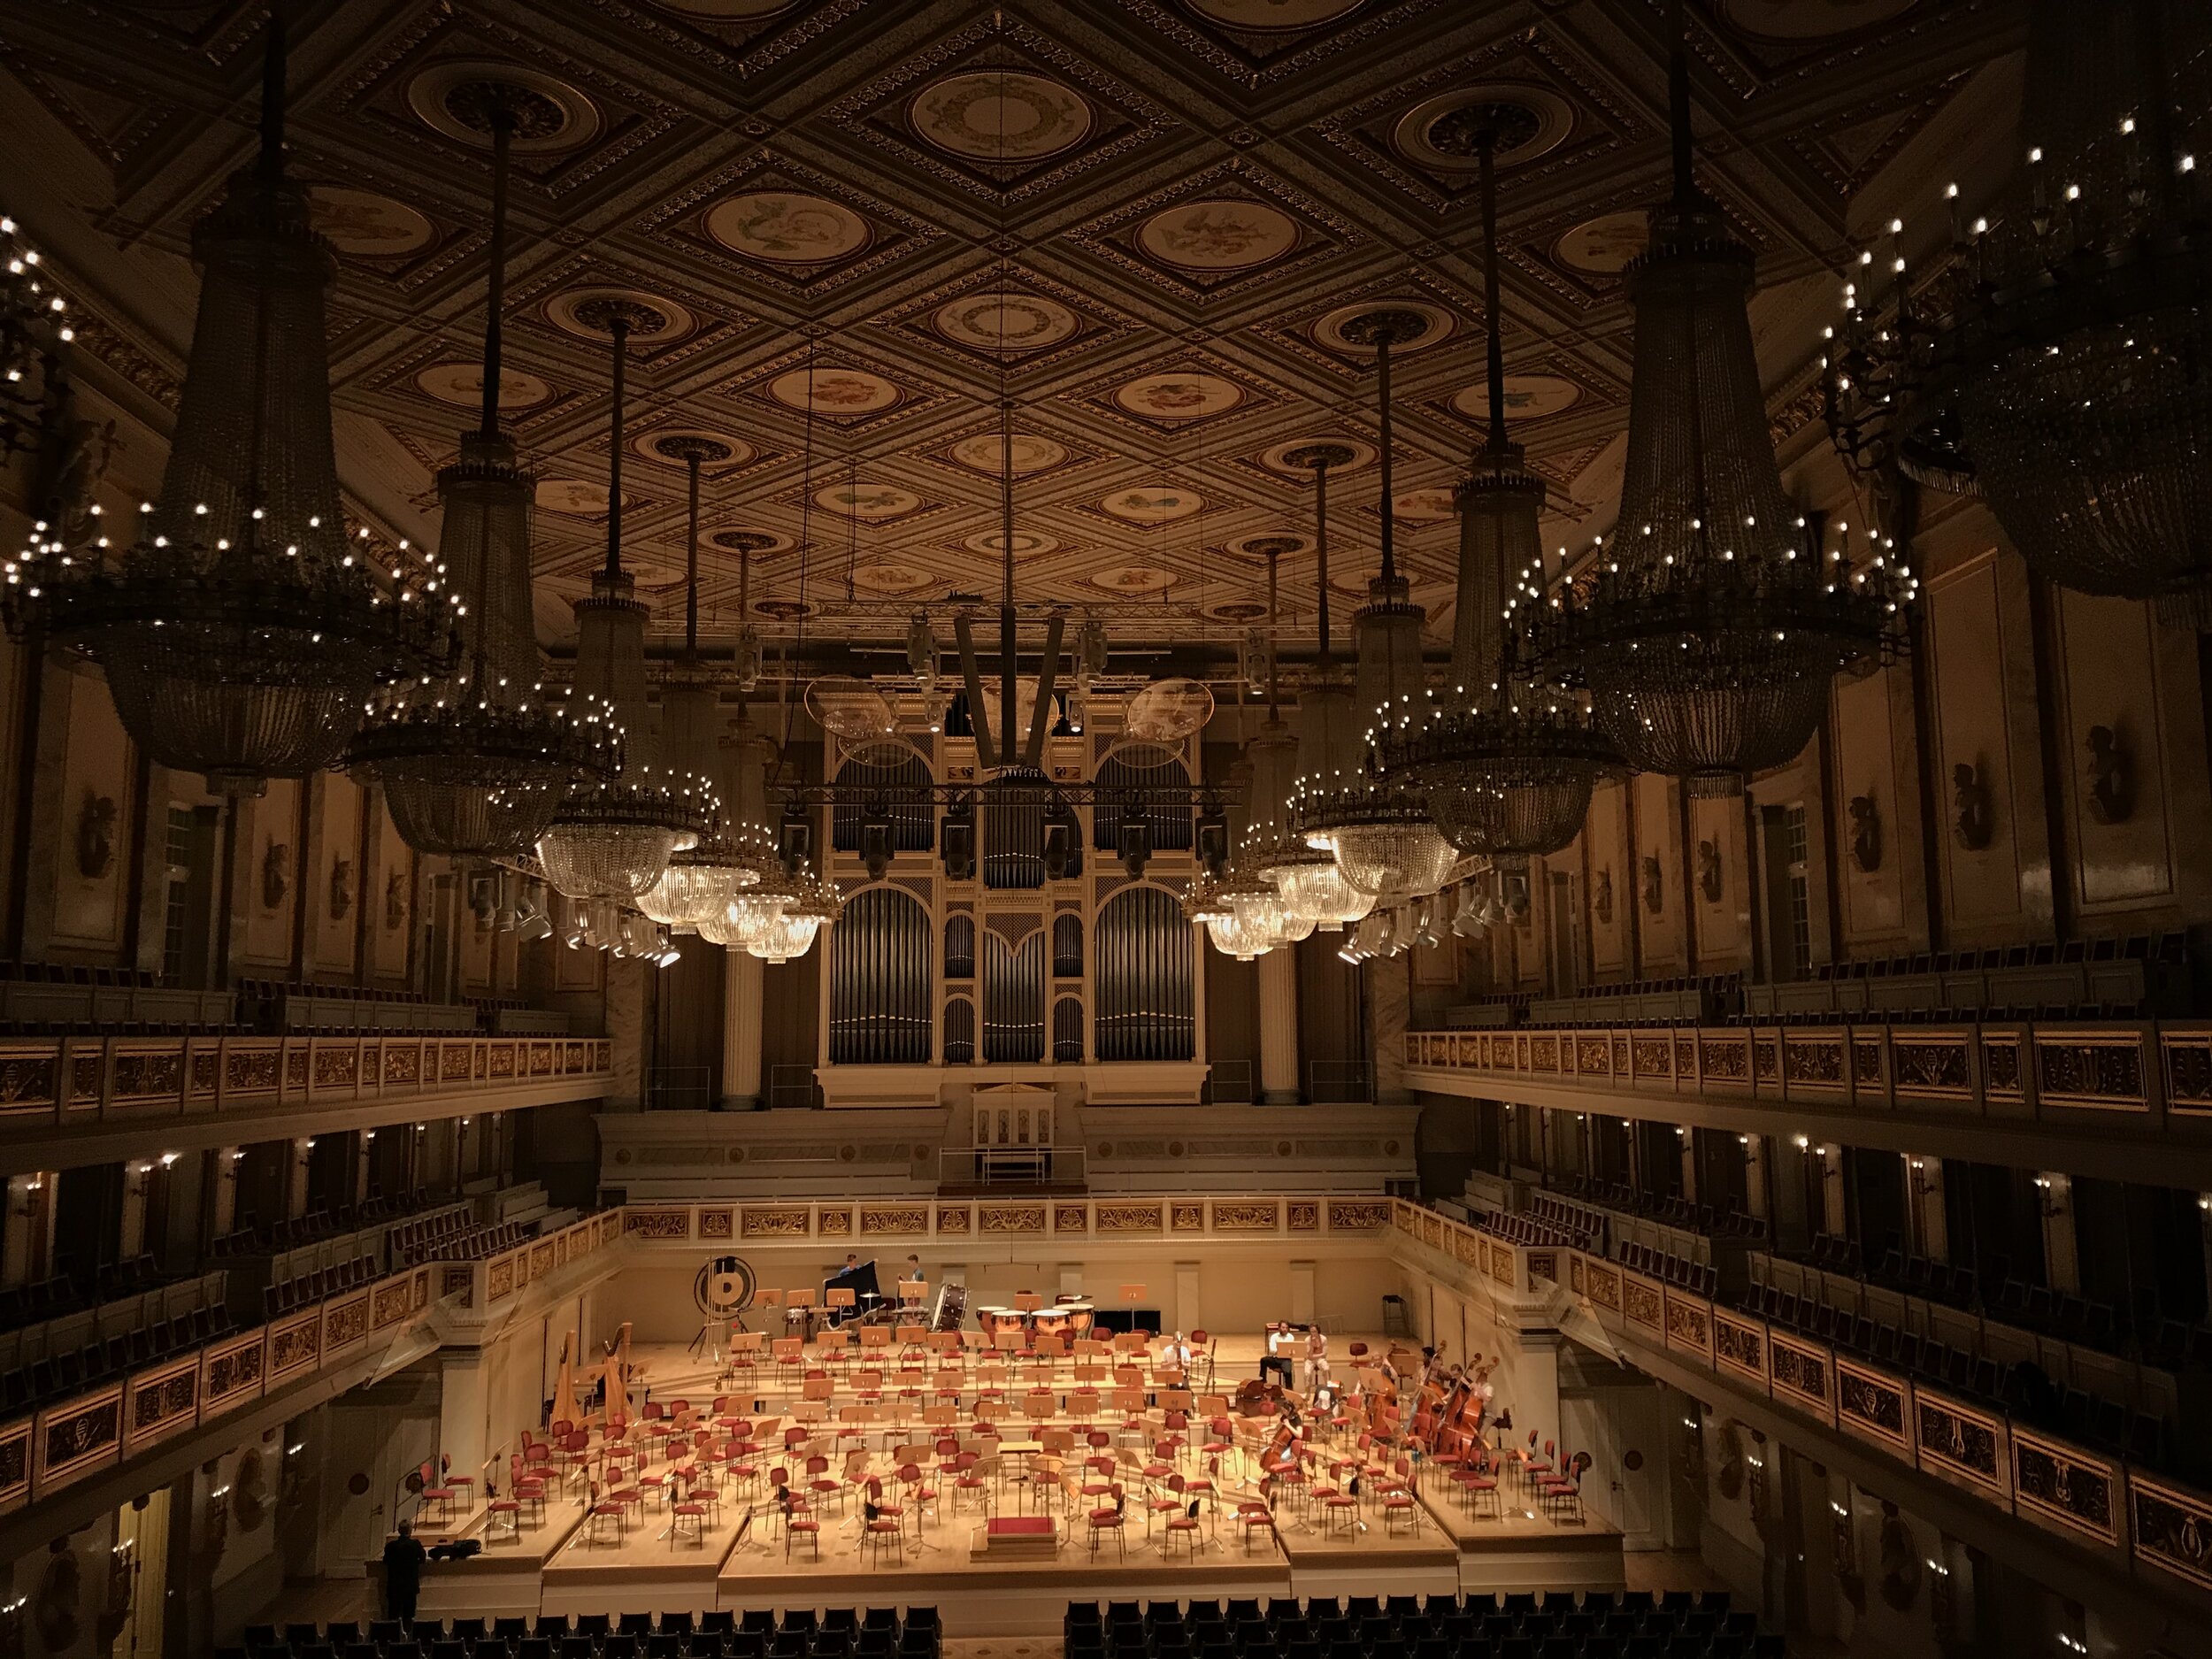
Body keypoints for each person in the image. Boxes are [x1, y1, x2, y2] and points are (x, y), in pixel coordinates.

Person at [381, 1519, 426, 1625]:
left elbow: (385, 1561)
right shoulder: (415, 1545)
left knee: (393, 1615)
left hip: (394, 1586)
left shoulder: (391, 1546)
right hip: (409, 1585)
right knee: (409, 1616)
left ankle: (392, 1638)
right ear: (410, 1531)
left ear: (398, 1530)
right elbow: (423, 1559)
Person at [1259, 1322, 1294, 1386]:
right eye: (1283, 1327)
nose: (1285, 1329)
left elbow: (1290, 1349)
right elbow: (1272, 1349)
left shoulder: (1290, 1337)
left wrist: (1282, 1351)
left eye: (1286, 1328)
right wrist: (1281, 1351)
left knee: (1288, 1372)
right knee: (1263, 1360)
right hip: (1276, 1358)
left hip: (1285, 1359)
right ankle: (1263, 1379)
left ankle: (1289, 1389)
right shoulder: (1274, 1336)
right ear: (1279, 1328)